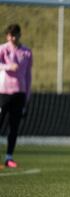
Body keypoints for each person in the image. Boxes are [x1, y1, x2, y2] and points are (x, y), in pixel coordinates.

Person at [0, 24, 32, 168]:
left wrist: (27, 94)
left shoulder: (26, 52)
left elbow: (28, 74)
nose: (13, 37)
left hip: (19, 93)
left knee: (14, 127)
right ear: (7, 36)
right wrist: (8, 67)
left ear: (19, 35)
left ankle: (9, 157)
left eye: (15, 34)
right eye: (10, 35)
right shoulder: (2, 49)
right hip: (3, 92)